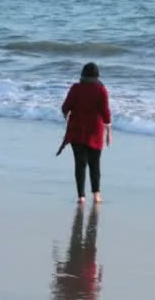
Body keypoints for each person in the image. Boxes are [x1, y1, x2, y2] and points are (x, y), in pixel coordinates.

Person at [61, 62, 111, 204]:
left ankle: (81, 197)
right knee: (95, 164)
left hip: (77, 131)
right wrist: (108, 130)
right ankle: (96, 195)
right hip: (95, 131)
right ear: (97, 75)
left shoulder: (76, 88)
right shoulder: (101, 90)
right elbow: (106, 114)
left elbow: (65, 107)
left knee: (80, 164)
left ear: (82, 74)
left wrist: (66, 115)